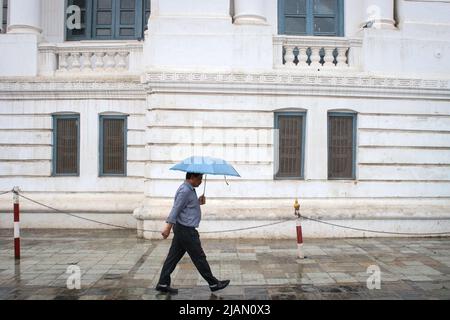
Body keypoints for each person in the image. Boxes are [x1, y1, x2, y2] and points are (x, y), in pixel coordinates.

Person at [155, 172, 230, 294]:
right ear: (192, 177)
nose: (201, 181)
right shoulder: (185, 191)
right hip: (186, 231)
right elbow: (176, 208)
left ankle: (163, 283)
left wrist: (198, 202)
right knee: (199, 257)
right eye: (199, 179)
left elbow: (187, 207)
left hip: (182, 229)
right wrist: (167, 227)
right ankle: (213, 283)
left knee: (172, 258)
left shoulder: (189, 189)